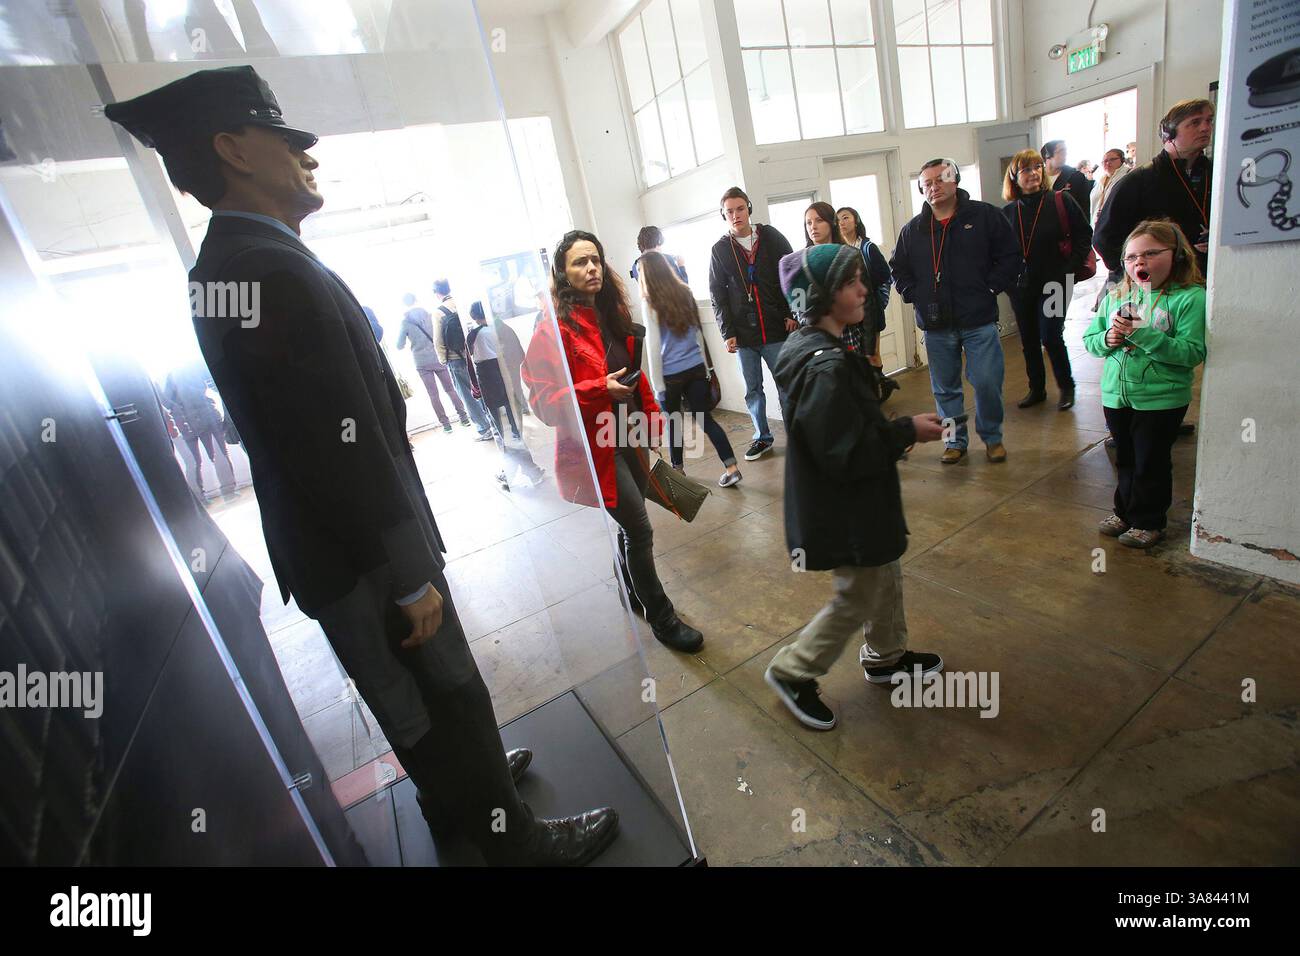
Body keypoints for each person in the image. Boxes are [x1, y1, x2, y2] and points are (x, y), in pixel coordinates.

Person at [104, 66, 618, 865]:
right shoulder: (265, 269)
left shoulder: (243, 260)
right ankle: (511, 840)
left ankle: (464, 794)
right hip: (364, 549)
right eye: (285, 141)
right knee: (443, 688)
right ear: (232, 149)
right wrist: (408, 572)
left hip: (342, 544)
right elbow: (332, 445)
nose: (306, 158)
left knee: (417, 698)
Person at [763, 244, 947, 731]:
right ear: (821, 297)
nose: (864, 289)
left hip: (857, 503)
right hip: (844, 509)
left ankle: (886, 656)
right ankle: (793, 670)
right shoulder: (826, 365)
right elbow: (845, 452)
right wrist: (906, 432)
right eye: (850, 283)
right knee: (858, 592)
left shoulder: (816, 347)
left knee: (884, 573)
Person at [522, 230, 704, 654]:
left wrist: (654, 425)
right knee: (638, 527)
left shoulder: (614, 312)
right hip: (593, 446)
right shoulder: (553, 330)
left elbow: (634, 378)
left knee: (632, 525)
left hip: (629, 433)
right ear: (562, 274)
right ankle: (662, 617)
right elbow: (545, 404)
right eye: (579, 263)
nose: (591, 269)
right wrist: (597, 389)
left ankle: (633, 593)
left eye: (596, 261)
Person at [1083, 219, 1206, 549]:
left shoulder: (1189, 299)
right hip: (1117, 395)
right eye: (1132, 257)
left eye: (1151, 253)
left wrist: (1143, 333)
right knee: (1125, 457)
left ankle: (1149, 520)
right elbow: (1091, 340)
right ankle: (1124, 511)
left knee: (1150, 460)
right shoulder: (1115, 296)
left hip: (1160, 398)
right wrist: (1109, 337)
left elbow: (1191, 352)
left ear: (1176, 255)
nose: (1140, 262)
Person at [890, 158, 1021, 464]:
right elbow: (898, 270)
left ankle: (992, 438)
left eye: (939, 180)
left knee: (988, 382)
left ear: (955, 181)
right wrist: (914, 295)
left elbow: (1011, 256)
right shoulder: (914, 230)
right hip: (936, 325)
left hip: (978, 320)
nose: (932, 187)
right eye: (926, 184)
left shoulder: (985, 216)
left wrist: (990, 287)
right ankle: (954, 441)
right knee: (945, 391)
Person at [638, 249, 742, 488]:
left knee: (674, 423)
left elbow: (653, 347)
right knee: (706, 420)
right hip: (696, 368)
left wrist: (658, 388)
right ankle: (732, 467)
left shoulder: (650, 302)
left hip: (671, 375)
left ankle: (678, 472)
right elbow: (697, 334)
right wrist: (706, 369)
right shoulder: (685, 292)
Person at [708, 186, 796, 462]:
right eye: (729, 211)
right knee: (753, 390)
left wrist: (791, 312)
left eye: (740, 208)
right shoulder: (720, 249)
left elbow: (791, 275)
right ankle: (762, 438)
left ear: (749, 208)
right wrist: (727, 333)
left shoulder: (771, 237)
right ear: (724, 215)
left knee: (787, 385)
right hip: (744, 336)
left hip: (776, 329)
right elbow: (717, 294)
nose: (736, 215)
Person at [1000, 148, 1091, 411]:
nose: (1033, 173)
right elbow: (999, 253)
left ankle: (1066, 387)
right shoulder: (1008, 212)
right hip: (1021, 287)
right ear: (1014, 177)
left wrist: (1069, 270)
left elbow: (1084, 236)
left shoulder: (1061, 201)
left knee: (1051, 335)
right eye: (1026, 169)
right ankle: (1036, 389)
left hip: (1056, 284)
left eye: (1038, 167)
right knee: (1028, 339)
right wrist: (1007, 282)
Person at [1095, 99, 1215, 285]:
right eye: (1195, 122)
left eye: (1209, 121)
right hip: (1153, 286)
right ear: (1169, 133)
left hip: (1201, 280)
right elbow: (1105, 238)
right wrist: (1137, 272)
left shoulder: (1216, 174)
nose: (1205, 128)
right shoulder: (1139, 180)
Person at [395, 292, 470, 433]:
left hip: (421, 362)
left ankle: (446, 425)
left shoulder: (405, 322)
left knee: (433, 394)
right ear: (417, 299)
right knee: (450, 389)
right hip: (438, 358)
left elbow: (399, 345)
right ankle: (464, 418)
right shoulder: (430, 315)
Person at [162, 361, 238, 499]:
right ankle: (224, 493)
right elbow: (216, 384)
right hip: (198, 419)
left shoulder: (175, 374)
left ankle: (205, 496)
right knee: (211, 457)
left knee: (204, 459)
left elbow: (167, 401)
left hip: (197, 419)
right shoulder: (184, 371)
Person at [431, 278, 493, 437]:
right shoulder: (461, 304)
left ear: (437, 293)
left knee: (467, 395)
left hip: (454, 358)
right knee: (482, 388)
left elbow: (438, 340)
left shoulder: (439, 312)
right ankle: (493, 422)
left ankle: (483, 428)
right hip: (473, 353)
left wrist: (443, 360)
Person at [835, 205, 893, 368]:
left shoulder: (867, 248)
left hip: (870, 310)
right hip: (850, 316)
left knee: (873, 355)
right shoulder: (839, 250)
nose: (841, 222)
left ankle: (879, 389)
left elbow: (884, 275)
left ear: (856, 221)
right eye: (838, 220)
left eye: (846, 217)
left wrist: (863, 288)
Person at [1041, 140, 1093, 213]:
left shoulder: (1076, 177)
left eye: (1066, 151)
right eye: (1061, 151)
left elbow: (1084, 208)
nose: (1065, 154)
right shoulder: (1036, 177)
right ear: (1047, 155)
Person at [1090, 148, 1130, 227]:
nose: (1107, 163)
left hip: (1118, 224)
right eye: (1104, 161)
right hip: (1098, 225)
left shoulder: (1128, 175)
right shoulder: (1100, 179)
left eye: (1112, 160)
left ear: (1122, 160)